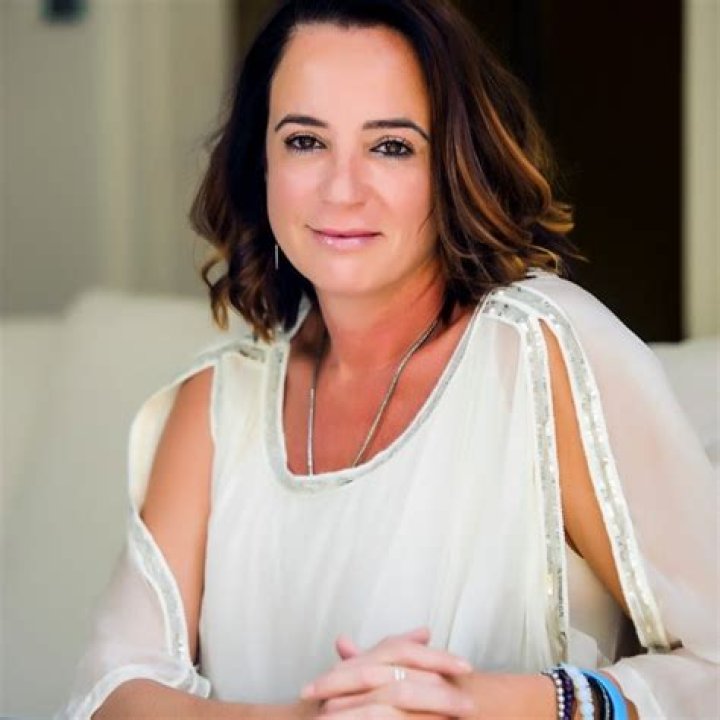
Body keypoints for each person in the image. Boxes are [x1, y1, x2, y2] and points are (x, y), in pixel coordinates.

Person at [58, 1, 718, 718]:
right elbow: (109, 691)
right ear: (260, 162)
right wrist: (308, 719)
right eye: (305, 141)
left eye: (392, 147)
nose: (342, 189)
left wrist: (498, 703)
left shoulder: (543, 351)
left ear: (454, 164)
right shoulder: (216, 400)